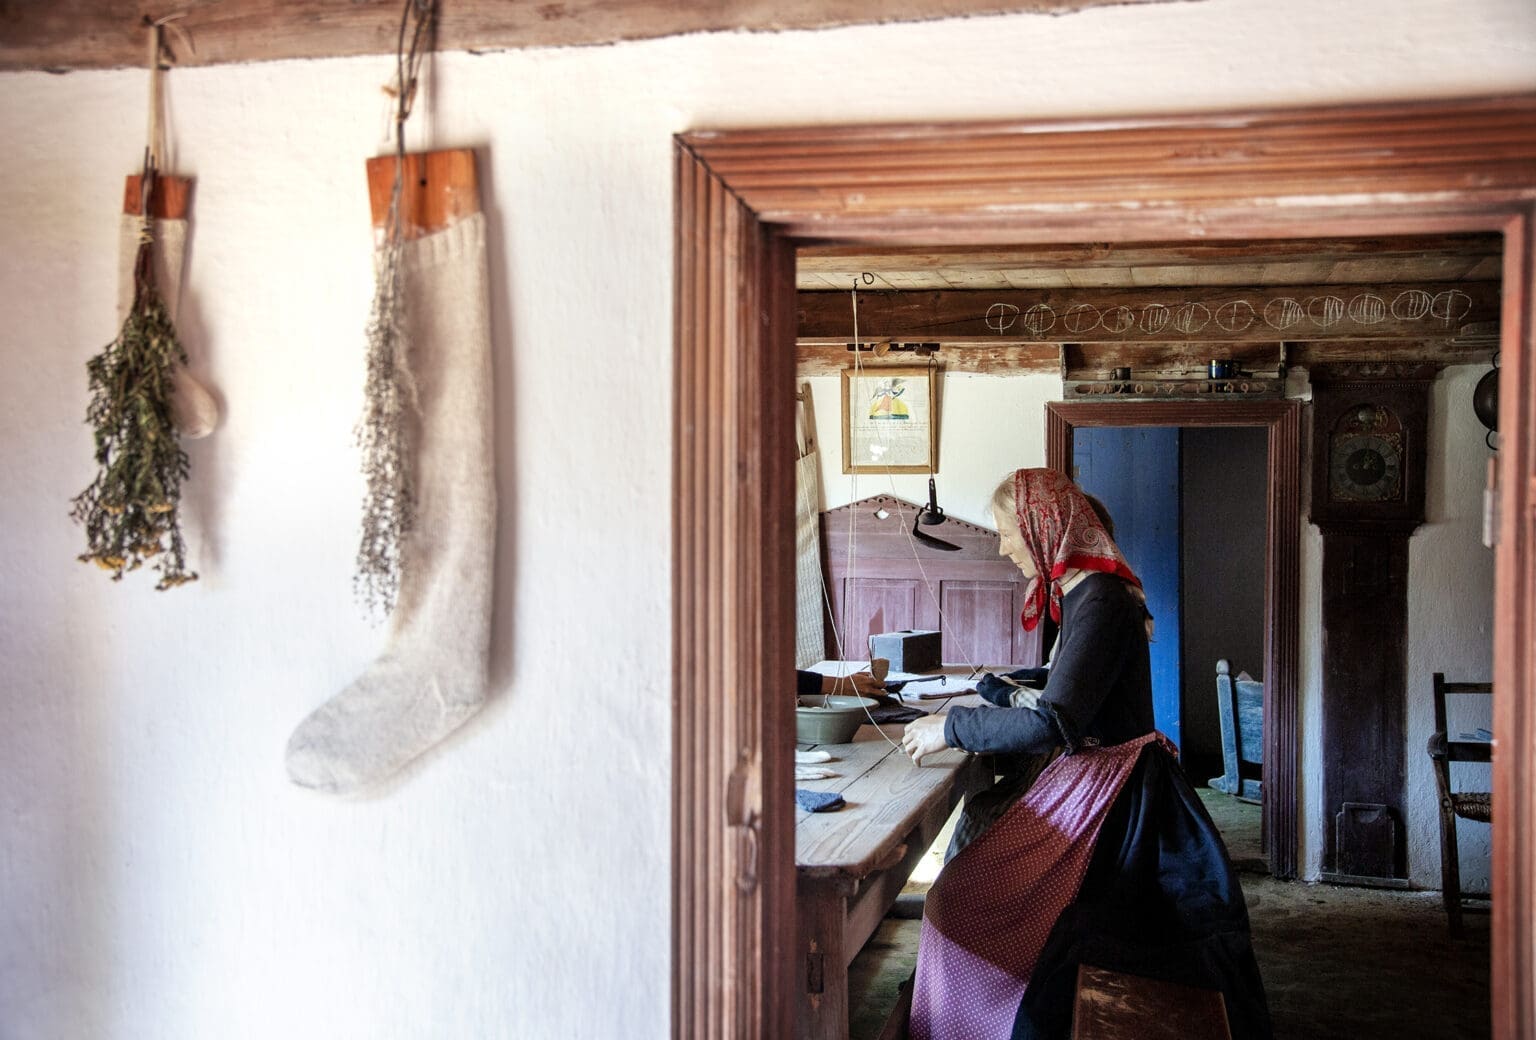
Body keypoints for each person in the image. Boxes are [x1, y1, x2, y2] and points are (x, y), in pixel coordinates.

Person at [902, 468, 1270, 1040]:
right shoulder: (1082, 594)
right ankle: (967, 1011)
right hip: (1094, 776)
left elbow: (1053, 721)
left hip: (1112, 790)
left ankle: (982, 1017)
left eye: (1008, 533)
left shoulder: (1101, 598)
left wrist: (952, 727)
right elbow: (1066, 693)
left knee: (962, 899)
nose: (1002, 548)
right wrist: (994, 697)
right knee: (966, 875)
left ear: (1042, 528)